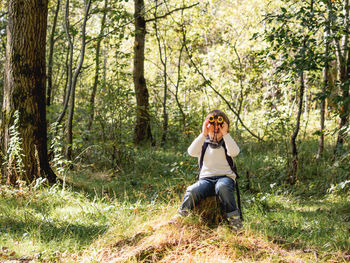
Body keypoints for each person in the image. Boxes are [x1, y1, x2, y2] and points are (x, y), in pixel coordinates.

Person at [177, 109, 242, 230]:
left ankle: (234, 218)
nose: (216, 128)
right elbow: (191, 152)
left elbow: (234, 152)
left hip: (225, 178)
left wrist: (225, 134)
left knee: (222, 187)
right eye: (213, 124)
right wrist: (204, 134)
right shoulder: (203, 143)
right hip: (206, 179)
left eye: (220, 125)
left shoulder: (226, 142)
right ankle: (182, 214)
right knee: (192, 190)